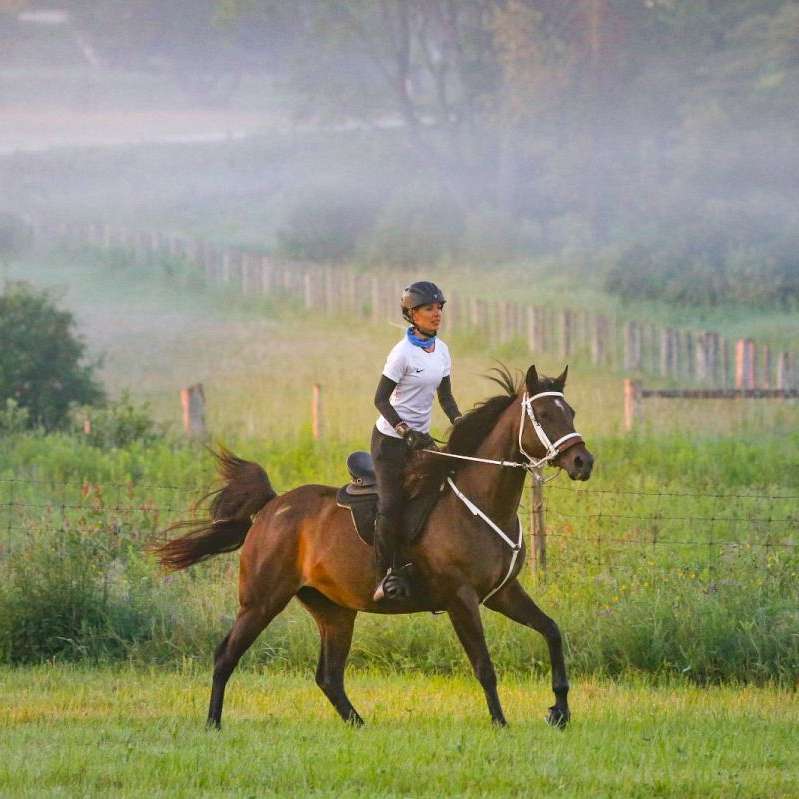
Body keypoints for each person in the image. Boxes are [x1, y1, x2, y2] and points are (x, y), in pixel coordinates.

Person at [371, 281, 462, 602]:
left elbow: (446, 396)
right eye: (429, 308)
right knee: (393, 505)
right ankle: (385, 575)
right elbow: (380, 400)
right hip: (390, 444)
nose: (437, 313)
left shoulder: (443, 349)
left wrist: (460, 422)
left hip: (419, 442)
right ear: (412, 314)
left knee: (438, 494)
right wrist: (405, 430)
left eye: (439, 307)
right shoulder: (401, 354)